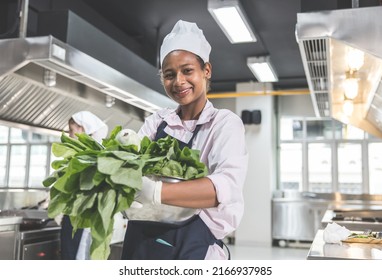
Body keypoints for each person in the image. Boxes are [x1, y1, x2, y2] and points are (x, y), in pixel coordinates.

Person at [121, 20, 248, 260]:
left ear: (206, 71)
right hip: (141, 240)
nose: (178, 81)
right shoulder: (158, 122)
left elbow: (223, 187)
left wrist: (156, 191)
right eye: (169, 75)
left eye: (187, 70)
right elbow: (127, 164)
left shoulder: (223, 124)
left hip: (193, 247)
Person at [60, 111, 108, 260]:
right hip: (75, 215)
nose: (70, 135)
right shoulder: (83, 153)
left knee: (74, 255)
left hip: (81, 216)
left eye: (71, 131)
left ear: (83, 129)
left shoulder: (94, 155)